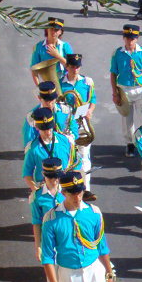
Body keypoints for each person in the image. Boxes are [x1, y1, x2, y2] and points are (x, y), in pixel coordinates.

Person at [29, 157, 66, 282]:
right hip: (49, 243)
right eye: (51, 177)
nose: (55, 180)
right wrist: (38, 246)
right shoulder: (37, 197)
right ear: (44, 175)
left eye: (57, 176)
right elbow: (36, 222)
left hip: (67, 240)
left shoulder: (67, 192)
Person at [109, 24, 142, 158]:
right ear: (123, 38)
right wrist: (115, 93)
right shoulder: (117, 53)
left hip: (140, 89)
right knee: (126, 119)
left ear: (137, 38)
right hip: (124, 89)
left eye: (133, 38)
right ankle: (130, 143)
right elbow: (113, 73)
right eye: (127, 38)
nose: (130, 41)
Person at [60, 54, 97, 197]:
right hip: (67, 125)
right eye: (72, 66)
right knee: (68, 155)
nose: (75, 69)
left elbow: (92, 99)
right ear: (67, 66)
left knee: (84, 156)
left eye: (77, 66)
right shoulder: (60, 83)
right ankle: (67, 188)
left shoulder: (87, 82)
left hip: (82, 123)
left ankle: (85, 188)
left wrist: (90, 111)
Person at [23, 107, 80, 193]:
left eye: (49, 128)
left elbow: (76, 163)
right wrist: (36, 190)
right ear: (36, 127)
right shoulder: (32, 148)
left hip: (66, 187)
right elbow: (27, 173)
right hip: (44, 188)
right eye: (44, 130)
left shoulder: (67, 141)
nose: (48, 132)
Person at [22, 81, 77, 147]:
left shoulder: (66, 110)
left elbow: (74, 129)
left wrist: (68, 140)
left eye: (52, 100)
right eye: (46, 101)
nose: (50, 104)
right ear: (39, 98)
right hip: (42, 149)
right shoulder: (32, 116)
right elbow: (28, 141)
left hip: (63, 147)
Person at [30, 17, 73, 84]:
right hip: (46, 82)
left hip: (62, 81)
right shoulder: (39, 47)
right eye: (51, 29)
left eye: (56, 30)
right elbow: (34, 69)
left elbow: (72, 67)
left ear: (60, 32)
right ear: (47, 29)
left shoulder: (65, 46)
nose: (53, 32)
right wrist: (39, 86)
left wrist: (57, 56)